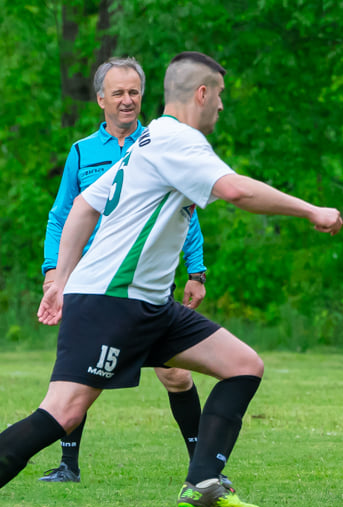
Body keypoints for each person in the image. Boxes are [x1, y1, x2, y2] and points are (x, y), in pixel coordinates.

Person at [0, 51, 342, 507]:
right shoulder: (177, 142)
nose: (221, 106)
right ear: (201, 93)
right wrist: (311, 211)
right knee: (63, 412)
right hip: (111, 301)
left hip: (149, 305)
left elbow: (83, 207)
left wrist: (60, 279)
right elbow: (236, 191)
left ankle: (204, 484)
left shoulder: (147, 138)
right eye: (219, 95)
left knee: (243, 365)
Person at [38, 57, 210, 484]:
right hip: (90, 282)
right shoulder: (82, 152)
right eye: (118, 92)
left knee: (175, 373)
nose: (128, 100)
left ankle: (202, 465)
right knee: (75, 376)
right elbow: (62, 216)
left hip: (146, 280)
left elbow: (184, 211)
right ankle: (68, 466)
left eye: (134, 92)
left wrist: (197, 271)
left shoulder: (159, 143)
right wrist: (53, 271)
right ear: (101, 100)